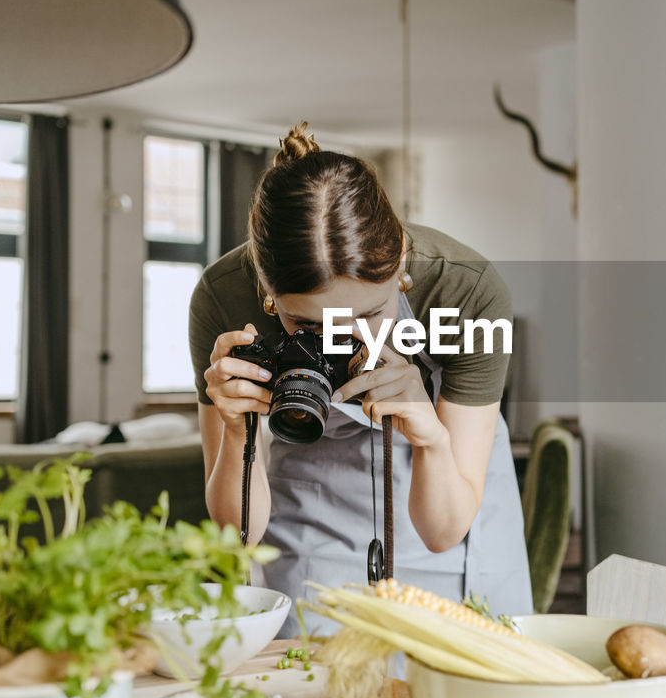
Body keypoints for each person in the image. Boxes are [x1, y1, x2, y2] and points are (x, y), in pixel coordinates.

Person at [189, 123, 533, 635]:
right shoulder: (222, 299)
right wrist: (238, 433)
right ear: (266, 291)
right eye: (308, 326)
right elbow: (234, 536)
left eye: (371, 315)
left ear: (400, 267)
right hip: (309, 523)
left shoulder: (470, 292)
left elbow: (443, 531)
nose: (344, 345)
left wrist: (432, 440)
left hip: (448, 502)